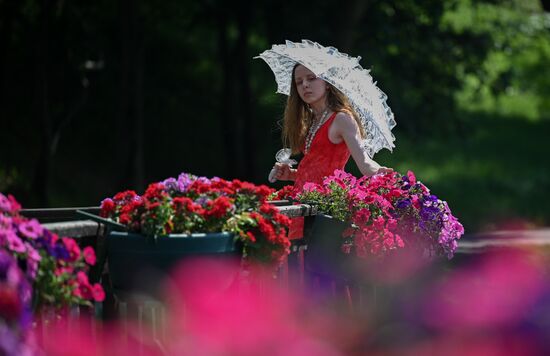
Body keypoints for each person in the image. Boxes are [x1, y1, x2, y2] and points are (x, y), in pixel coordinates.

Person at [271, 63, 392, 239]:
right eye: (298, 82)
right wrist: (291, 175)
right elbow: (316, 170)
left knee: (314, 264)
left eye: (311, 78)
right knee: (297, 261)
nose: (305, 85)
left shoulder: (342, 118)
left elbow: (364, 162)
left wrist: (380, 173)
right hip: (302, 203)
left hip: (325, 207)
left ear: (328, 82)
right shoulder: (311, 121)